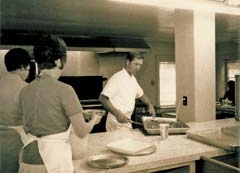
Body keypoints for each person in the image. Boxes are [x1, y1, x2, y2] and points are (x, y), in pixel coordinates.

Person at [18, 35, 102, 173]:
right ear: (58, 61)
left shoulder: (24, 91)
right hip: (52, 161)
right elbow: (81, 132)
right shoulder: (65, 90)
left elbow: (28, 126)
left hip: (28, 159)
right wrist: (94, 120)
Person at [99, 52, 155, 131]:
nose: (138, 68)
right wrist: (117, 113)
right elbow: (102, 98)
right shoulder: (117, 78)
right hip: (116, 121)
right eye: (136, 64)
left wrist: (149, 104)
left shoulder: (132, 79)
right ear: (128, 62)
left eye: (140, 65)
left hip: (127, 121)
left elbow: (141, 95)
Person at [0, 48, 31, 173]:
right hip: (18, 144)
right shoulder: (27, 89)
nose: (28, 73)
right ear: (23, 67)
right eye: (28, 69)